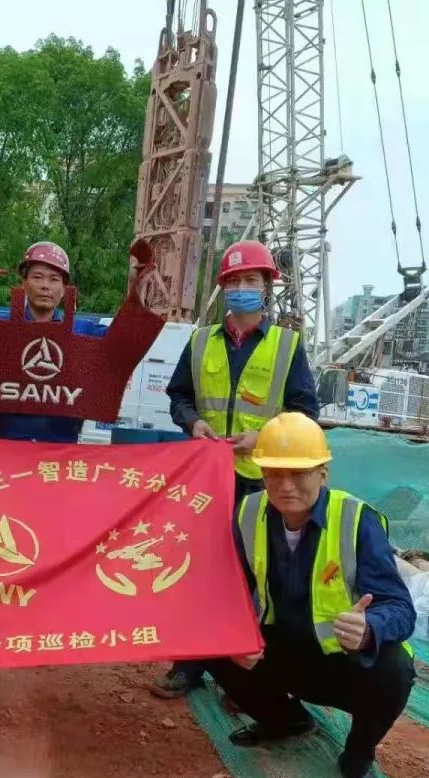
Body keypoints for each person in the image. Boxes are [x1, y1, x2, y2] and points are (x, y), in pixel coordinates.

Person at [206, 411, 415, 778]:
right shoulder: (248, 514)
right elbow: (229, 591)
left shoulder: (356, 520)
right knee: (212, 643)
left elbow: (401, 608)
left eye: (299, 473)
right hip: (281, 649)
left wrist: (370, 627)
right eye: (274, 474)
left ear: (323, 473)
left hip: (342, 661)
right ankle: (287, 721)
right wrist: (236, 633)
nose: (285, 486)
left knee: (395, 669)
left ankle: (357, 760)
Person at [152, 239, 320, 699]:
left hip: (262, 482)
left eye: (251, 280)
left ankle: (245, 674)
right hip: (207, 479)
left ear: (266, 287)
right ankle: (190, 664)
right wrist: (193, 423)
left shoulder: (287, 346)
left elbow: (305, 412)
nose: (242, 287)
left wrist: (263, 437)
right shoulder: (201, 341)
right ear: (223, 287)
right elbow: (178, 396)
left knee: (257, 574)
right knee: (199, 567)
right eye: (234, 281)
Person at [0, 241, 107, 443]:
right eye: (37, 277)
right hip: (4, 447)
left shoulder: (83, 332)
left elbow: (124, 345)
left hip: (60, 451)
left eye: (54, 279)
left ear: (64, 289)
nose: (45, 285)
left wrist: (138, 290)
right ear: (24, 283)